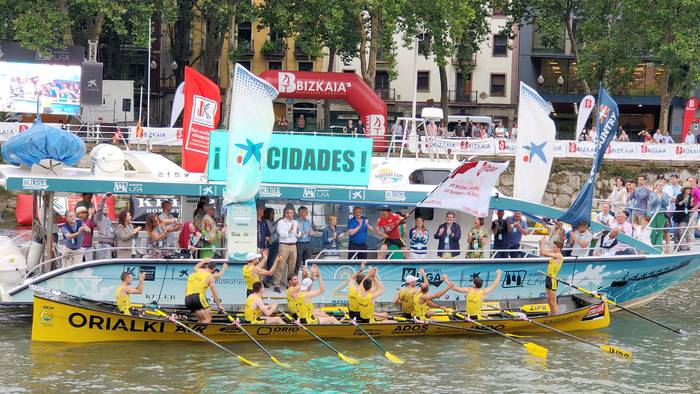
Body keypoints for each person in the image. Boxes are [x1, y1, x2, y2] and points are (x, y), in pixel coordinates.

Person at [184, 258, 228, 323]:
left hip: (187, 298)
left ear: (206, 267)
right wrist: (218, 305)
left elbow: (196, 266)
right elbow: (214, 292)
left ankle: (196, 331)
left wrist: (204, 260)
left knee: (201, 320)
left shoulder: (194, 272)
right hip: (198, 297)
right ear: (214, 269)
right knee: (207, 319)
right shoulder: (210, 276)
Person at [274, 206, 299, 293]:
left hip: (293, 245)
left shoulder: (295, 222)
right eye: (291, 213)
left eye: (293, 213)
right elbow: (281, 234)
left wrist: (298, 230)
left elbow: (298, 235)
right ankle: (276, 284)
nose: (292, 215)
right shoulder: (281, 222)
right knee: (281, 266)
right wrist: (290, 230)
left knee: (292, 267)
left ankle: (290, 285)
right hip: (284, 245)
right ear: (286, 214)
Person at [539, 238, 564, 315]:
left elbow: (544, 252)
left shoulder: (559, 255)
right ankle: (552, 314)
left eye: (554, 247)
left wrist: (543, 243)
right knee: (549, 300)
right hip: (548, 278)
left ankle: (555, 316)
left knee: (553, 301)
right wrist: (541, 244)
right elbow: (542, 254)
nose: (553, 248)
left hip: (553, 279)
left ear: (559, 248)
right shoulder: (553, 255)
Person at [648, 180, 670, 251]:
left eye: (662, 185)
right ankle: (653, 245)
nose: (660, 186)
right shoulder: (652, 194)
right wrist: (656, 197)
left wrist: (662, 198)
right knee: (653, 230)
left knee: (660, 230)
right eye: (659, 185)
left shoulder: (666, 194)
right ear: (656, 186)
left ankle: (658, 247)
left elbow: (666, 205)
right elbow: (651, 204)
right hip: (653, 213)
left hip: (661, 213)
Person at [94, 193, 117, 260]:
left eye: (106, 207)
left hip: (109, 245)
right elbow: (99, 209)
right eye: (104, 207)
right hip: (103, 245)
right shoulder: (99, 217)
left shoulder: (107, 218)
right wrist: (104, 199)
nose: (106, 208)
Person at [674, 184, 693, 251]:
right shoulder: (679, 195)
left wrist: (691, 202)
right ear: (684, 190)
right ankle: (676, 247)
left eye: (690, 189)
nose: (689, 190)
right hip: (678, 215)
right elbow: (677, 204)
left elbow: (690, 207)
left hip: (685, 215)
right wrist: (683, 201)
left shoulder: (690, 196)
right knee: (676, 231)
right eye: (687, 189)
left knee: (681, 230)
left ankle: (683, 246)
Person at [295, 206, 313, 273]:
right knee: (298, 261)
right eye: (306, 212)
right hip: (299, 243)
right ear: (301, 213)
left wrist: (311, 232)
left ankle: (306, 277)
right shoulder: (296, 221)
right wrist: (302, 233)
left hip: (307, 243)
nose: (307, 213)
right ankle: (296, 276)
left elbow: (311, 230)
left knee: (307, 261)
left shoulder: (308, 221)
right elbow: (295, 233)